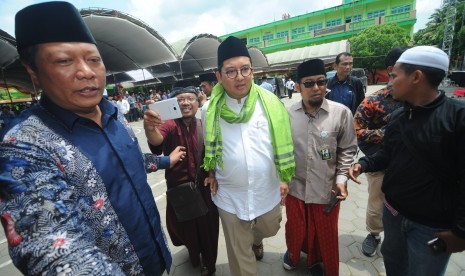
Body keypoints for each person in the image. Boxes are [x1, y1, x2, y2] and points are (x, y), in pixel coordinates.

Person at [0, 2, 176, 275]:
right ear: (33, 71)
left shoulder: (113, 114)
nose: (86, 71)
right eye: (64, 61)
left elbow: (127, 163)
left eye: (94, 59)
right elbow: (52, 246)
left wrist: (166, 159)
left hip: (157, 258)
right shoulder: (24, 146)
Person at [349, 46, 465, 275]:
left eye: (394, 76)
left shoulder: (457, 119)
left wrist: (460, 232)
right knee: (395, 267)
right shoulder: (399, 116)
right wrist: (363, 165)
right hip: (392, 214)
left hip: (431, 227)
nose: (389, 82)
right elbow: (387, 154)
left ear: (416, 77)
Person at [201, 36, 295, 276]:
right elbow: (209, 147)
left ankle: (256, 238)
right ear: (219, 76)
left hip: (267, 189)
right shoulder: (209, 110)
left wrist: (285, 178)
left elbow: (281, 143)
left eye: (244, 69)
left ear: (253, 71)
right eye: (231, 72)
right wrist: (211, 173)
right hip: (229, 193)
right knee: (240, 257)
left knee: (271, 226)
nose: (239, 77)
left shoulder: (271, 104)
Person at [283, 59, 357, 276]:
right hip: (296, 188)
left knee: (325, 233)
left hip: (327, 189)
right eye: (309, 83)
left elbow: (348, 149)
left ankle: (320, 262)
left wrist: (341, 180)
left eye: (321, 82)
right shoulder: (287, 115)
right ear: (297, 87)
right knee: (296, 229)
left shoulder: (341, 113)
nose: (316, 88)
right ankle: (295, 255)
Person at [145, 81, 219, 276]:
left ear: (198, 101)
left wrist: (212, 174)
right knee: (186, 229)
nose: (186, 103)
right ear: (174, 105)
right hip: (180, 190)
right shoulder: (169, 124)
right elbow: (157, 140)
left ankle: (209, 264)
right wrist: (150, 127)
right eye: (180, 100)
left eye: (190, 99)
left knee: (209, 229)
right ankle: (195, 255)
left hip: (204, 187)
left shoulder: (203, 124)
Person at [353, 46, 408, 257]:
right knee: (377, 204)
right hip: (380, 163)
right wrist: (391, 134)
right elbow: (357, 131)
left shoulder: (420, 101)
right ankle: (374, 234)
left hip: (411, 167)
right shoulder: (374, 101)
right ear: (392, 69)